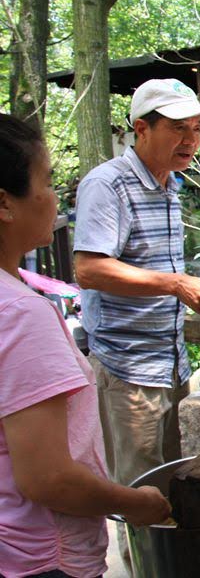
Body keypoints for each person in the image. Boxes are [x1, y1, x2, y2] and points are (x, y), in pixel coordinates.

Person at [0, 114, 171, 577]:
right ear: (5, 203)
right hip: (39, 557)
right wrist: (134, 502)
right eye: (47, 181)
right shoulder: (20, 314)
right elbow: (49, 479)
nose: (55, 196)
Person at [73, 79, 200, 567]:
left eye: (196, 129)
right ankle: (143, 568)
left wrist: (191, 291)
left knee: (174, 482)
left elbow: (154, 273)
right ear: (141, 128)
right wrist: (176, 284)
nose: (191, 140)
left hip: (170, 362)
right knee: (138, 494)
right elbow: (89, 269)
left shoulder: (168, 186)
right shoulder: (109, 184)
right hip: (129, 369)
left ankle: (171, 567)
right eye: (178, 128)